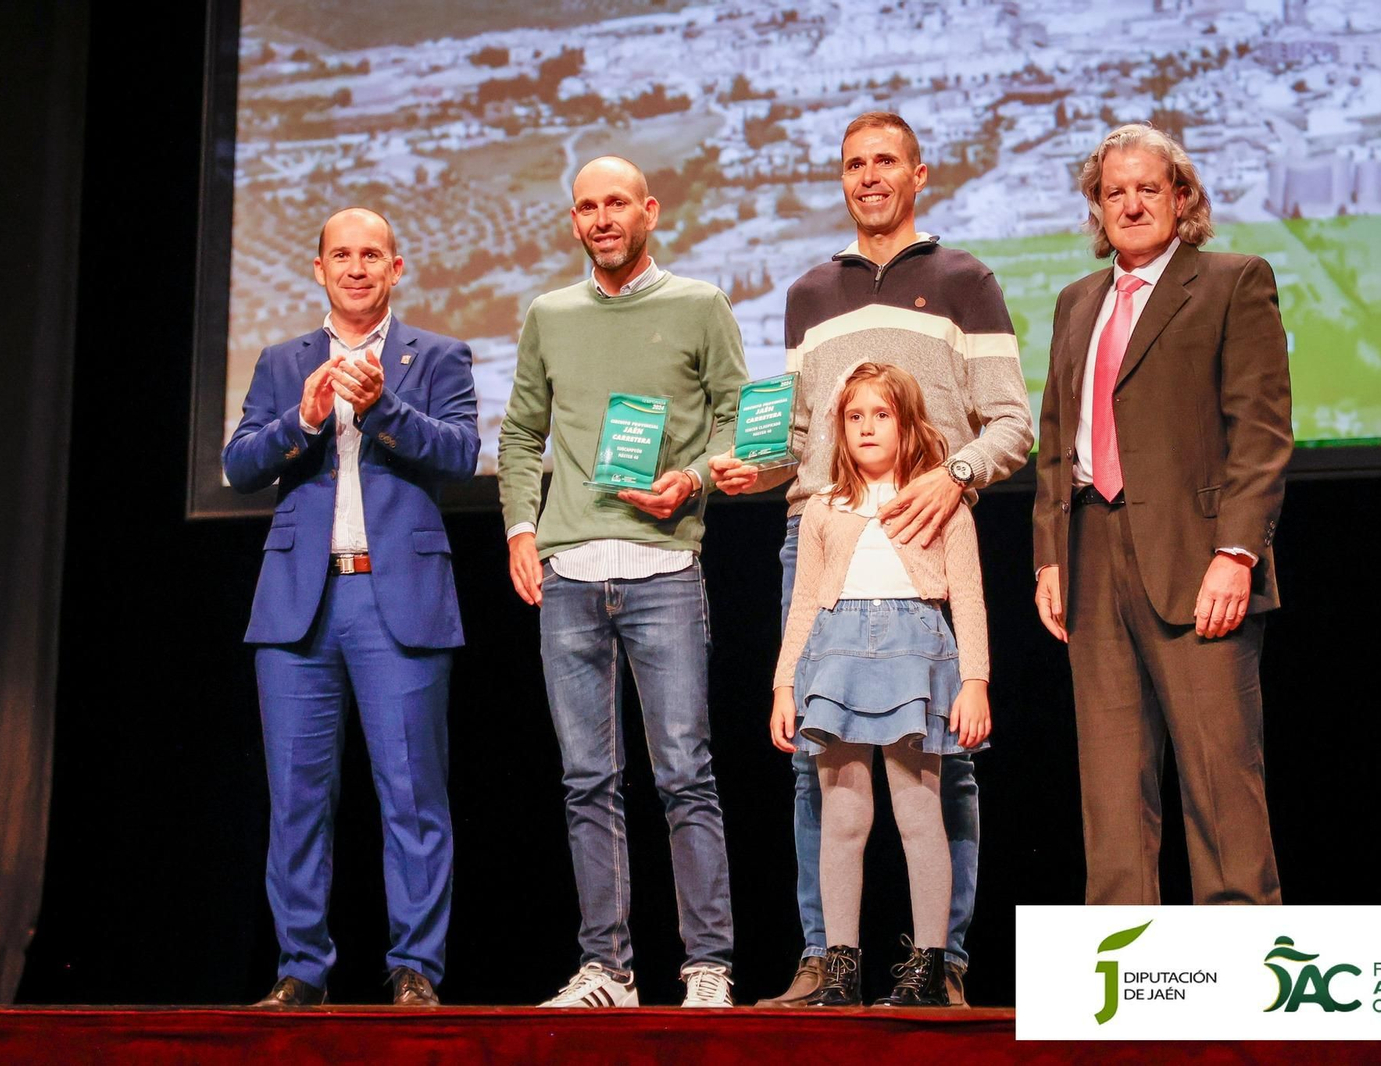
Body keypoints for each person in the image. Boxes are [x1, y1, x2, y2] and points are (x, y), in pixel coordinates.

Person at [710, 112, 1032, 1006]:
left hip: (926, 543)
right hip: (821, 539)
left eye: (885, 161)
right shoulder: (812, 292)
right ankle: (828, 960)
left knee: (941, 771)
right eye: (855, 165)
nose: (869, 177)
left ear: (918, 173)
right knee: (820, 764)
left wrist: (957, 475)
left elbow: (1012, 421)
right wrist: (757, 466)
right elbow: (804, 435)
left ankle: (944, 964)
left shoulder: (966, 279)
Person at [499, 156, 747, 1008]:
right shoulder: (549, 315)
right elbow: (522, 433)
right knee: (586, 781)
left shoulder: (698, 305)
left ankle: (707, 966)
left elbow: (739, 418)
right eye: (586, 207)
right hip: (569, 576)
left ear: (649, 211)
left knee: (684, 773)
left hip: (666, 570)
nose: (601, 218)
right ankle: (607, 969)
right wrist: (521, 528)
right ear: (574, 222)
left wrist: (694, 480)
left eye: (616, 204)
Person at [223, 207, 479, 1007]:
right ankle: (301, 970)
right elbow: (238, 466)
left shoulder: (436, 355)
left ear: (396, 268)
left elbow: (462, 452)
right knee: (298, 797)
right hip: (301, 602)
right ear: (319, 268)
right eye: (343, 255)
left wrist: (383, 410)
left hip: (395, 596)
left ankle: (415, 971)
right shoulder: (280, 361)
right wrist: (301, 420)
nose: (358, 267)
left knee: (411, 796)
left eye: (373, 255)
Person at [1032, 123, 1292, 906]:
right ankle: (1120, 990)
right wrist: (1049, 553)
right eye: (1116, 192)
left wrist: (1237, 553)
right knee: (1111, 788)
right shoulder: (1077, 301)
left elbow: (1262, 432)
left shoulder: (1233, 281)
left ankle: (1245, 975)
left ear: (1183, 197)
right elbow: (1055, 441)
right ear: (1096, 207)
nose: (1132, 204)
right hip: (1090, 556)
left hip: (1198, 555)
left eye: (1149, 188)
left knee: (1221, 779)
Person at [770, 363, 990, 1008]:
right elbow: (805, 603)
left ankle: (928, 967)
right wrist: (786, 686)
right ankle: (840, 968)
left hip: (913, 654)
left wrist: (974, 681)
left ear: (908, 422)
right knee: (842, 816)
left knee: (921, 815)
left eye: (881, 414)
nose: (867, 427)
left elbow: (969, 599)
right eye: (854, 415)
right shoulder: (822, 509)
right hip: (835, 657)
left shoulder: (939, 501)